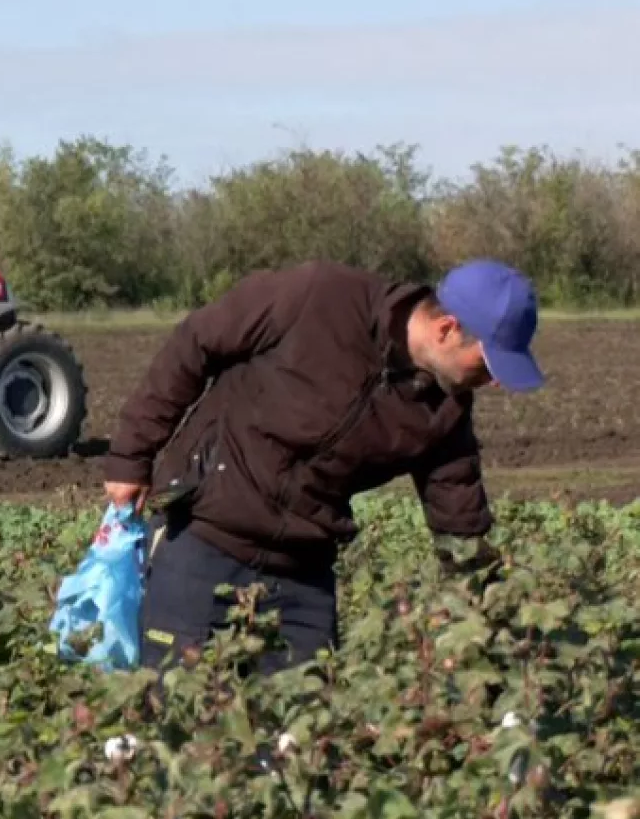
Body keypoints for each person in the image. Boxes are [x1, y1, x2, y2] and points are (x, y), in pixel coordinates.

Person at [102, 258, 544, 675]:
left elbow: (460, 523)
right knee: (180, 722)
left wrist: (487, 625)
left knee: (305, 736)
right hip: (200, 539)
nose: (496, 381)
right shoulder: (316, 296)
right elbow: (194, 343)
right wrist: (131, 456)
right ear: (446, 329)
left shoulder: (446, 411)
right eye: (488, 364)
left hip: (302, 571)